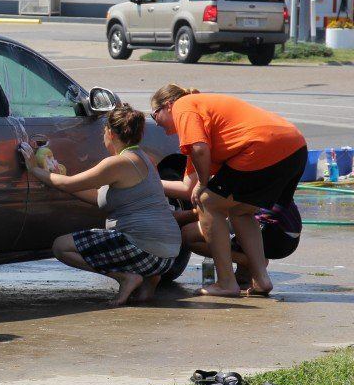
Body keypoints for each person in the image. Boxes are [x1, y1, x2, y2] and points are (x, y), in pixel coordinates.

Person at [150, 84, 307, 297]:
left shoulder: (184, 106)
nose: (155, 121)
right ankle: (262, 280)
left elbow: (199, 150)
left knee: (207, 201)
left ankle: (226, 283)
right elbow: (189, 184)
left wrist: (204, 185)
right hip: (294, 147)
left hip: (264, 146)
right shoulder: (203, 116)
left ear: (168, 105)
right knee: (241, 211)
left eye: (154, 114)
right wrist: (148, 181)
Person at [19, 105, 181, 307]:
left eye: (104, 131)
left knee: (61, 247)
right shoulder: (142, 158)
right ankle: (149, 280)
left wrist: (34, 168)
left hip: (144, 249)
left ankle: (124, 277)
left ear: (111, 133)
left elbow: (68, 184)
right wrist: (58, 176)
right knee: (139, 282)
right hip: (168, 254)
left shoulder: (117, 163)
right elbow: (97, 197)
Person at [170, 200, 301, 287]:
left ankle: (249, 262)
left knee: (188, 234)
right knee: (234, 217)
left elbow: (213, 210)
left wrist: (173, 216)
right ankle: (248, 270)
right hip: (291, 233)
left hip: (269, 228)